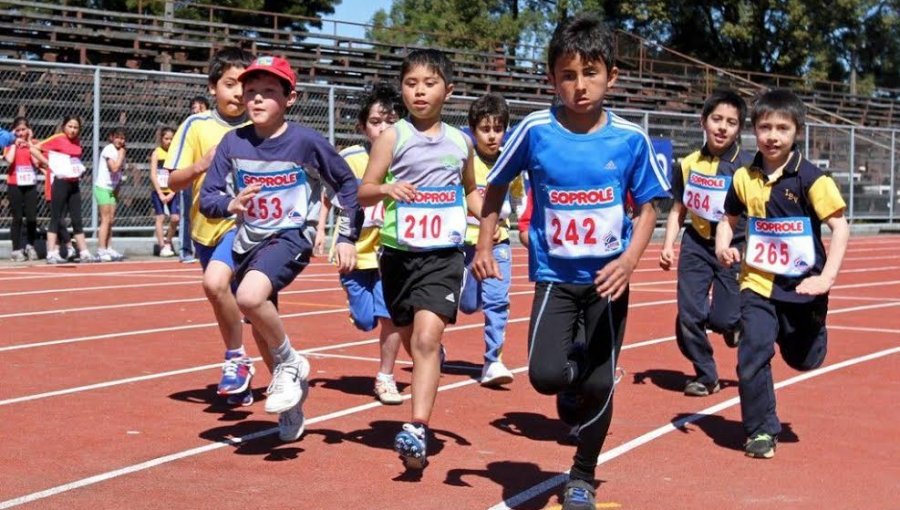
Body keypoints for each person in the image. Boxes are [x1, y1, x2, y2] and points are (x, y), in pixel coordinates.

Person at [472, 14, 670, 509]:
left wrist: (629, 261)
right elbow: (495, 186)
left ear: (612, 76)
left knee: (601, 383)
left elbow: (649, 207)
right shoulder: (536, 130)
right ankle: (573, 372)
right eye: (567, 74)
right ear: (551, 79)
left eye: (591, 73)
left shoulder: (629, 138)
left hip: (608, 281)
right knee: (544, 376)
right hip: (555, 278)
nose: (579, 86)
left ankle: (581, 475)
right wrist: (483, 244)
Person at [200, 55, 362, 442]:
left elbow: (348, 185)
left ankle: (291, 362)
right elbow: (208, 198)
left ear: (290, 98)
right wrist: (230, 203)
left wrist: (345, 236)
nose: (255, 99)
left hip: (289, 236)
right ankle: (275, 385)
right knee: (215, 283)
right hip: (246, 234)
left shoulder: (306, 142)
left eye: (268, 92)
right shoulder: (232, 141)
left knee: (251, 297)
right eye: (250, 91)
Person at [359, 48, 482, 470]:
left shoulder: (461, 142)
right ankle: (427, 368)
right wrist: (387, 190)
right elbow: (365, 189)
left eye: (428, 84)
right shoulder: (393, 137)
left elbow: (469, 191)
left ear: (448, 90)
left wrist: (489, 216)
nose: (419, 91)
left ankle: (417, 427)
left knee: (428, 340)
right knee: (413, 340)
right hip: (398, 255)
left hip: (444, 255)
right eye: (411, 84)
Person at [715, 89, 849, 459]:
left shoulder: (811, 179)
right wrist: (722, 245)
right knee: (752, 353)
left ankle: (815, 327)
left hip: (803, 287)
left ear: (796, 132)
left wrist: (827, 279)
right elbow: (727, 220)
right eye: (765, 127)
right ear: (753, 130)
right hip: (756, 282)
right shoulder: (743, 175)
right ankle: (761, 430)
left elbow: (840, 228)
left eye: (782, 128)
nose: (772, 136)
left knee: (804, 359)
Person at [165, 47, 270, 409]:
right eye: (230, 85)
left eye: (245, 86)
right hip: (204, 229)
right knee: (231, 302)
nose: (239, 94)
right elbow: (172, 181)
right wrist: (201, 165)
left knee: (220, 286)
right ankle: (254, 366)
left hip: (246, 229)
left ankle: (240, 359)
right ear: (213, 88)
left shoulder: (258, 127)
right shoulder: (197, 127)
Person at [315, 82, 407, 405]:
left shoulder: (407, 158)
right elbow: (336, 199)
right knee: (366, 319)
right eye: (376, 122)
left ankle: (385, 376)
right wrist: (336, 238)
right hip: (355, 251)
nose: (383, 129)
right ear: (362, 126)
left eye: (391, 121)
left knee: (389, 316)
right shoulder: (351, 159)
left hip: (390, 251)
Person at [659, 89, 753, 396]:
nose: (723, 127)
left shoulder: (746, 169)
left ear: (739, 129)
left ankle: (733, 324)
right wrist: (668, 245)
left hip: (733, 247)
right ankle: (706, 375)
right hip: (696, 245)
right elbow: (678, 209)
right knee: (689, 315)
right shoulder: (687, 164)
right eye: (717, 119)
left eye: (731, 122)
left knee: (722, 317)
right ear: (704, 122)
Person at [460, 93, 524, 386]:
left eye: (498, 129)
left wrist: (523, 226)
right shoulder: (465, 161)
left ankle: (492, 360)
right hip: (464, 244)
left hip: (499, 242)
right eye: (485, 129)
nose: (492, 135)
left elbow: (518, 198)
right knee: (468, 303)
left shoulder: (510, 164)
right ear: (473, 130)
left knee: (497, 300)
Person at [31, 116, 96, 264]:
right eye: (70, 126)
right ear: (64, 126)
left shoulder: (77, 141)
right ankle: (51, 252)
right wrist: (48, 163)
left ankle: (84, 251)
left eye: (76, 127)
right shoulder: (58, 138)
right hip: (60, 182)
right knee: (56, 216)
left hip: (74, 183)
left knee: (77, 218)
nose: (73, 130)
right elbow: (34, 148)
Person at [3, 118, 40, 261]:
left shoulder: (32, 144)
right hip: (15, 184)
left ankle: (30, 245)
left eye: (23, 129)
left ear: (28, 130)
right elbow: (10, 160)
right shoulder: (9, 144)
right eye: (17, 130)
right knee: (17, 217)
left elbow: (36, 161)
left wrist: (29, 141)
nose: (21, 132)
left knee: (31, 217)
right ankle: (16, 249)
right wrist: (13, 141)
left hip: (30, 184)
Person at [178, 96, 209, 262]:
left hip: (207, 178)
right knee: (186, 214)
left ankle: (200, 248)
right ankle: (185, 250)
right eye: (193, 108)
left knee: (203, 213)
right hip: (190, 177)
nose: (196, 111)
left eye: (199, 107)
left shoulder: (212, 128)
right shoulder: (187, 128)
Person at [94, 127, 127, 262]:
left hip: (113, 189)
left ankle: (108, 247)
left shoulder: (121, 152)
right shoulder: (109, 150)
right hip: (102, 188)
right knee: (105, 219)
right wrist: (121, 155)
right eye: (117, 137)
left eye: (123, 138)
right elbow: (114, 168)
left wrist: (116, 190)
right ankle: (101, 249)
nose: (120, 140)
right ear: (112, 137)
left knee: (111, 220)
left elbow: (120, 174)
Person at [149, 127, 179, 257]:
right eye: (166, 139)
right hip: (158, 191)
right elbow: (153, 174)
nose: (169, 141)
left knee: (175, 218)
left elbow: (178, 174)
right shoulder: (157, 153)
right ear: (161, 139)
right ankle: (161, 245)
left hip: (172, 190)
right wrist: (160, 193)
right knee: (160, 217)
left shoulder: (175, 154)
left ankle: (168, 241)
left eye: (171, 139)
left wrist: (173, 192)